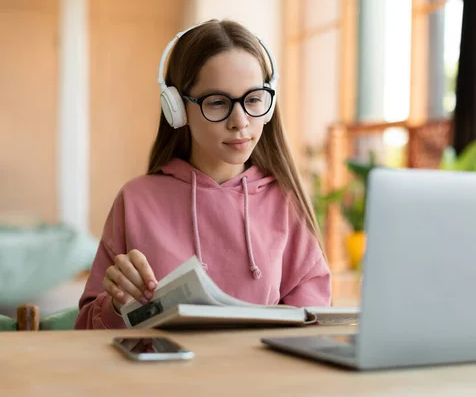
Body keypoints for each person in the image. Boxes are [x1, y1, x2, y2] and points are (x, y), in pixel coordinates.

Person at [74, 19, 332, 330]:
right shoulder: (136, 201)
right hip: (162, 377)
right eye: (218, 102)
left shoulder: (285, 202)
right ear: (177, 108)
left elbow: (314, 327)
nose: (240, 121)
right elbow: (86, 329)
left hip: (256, 376)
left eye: (253, 100)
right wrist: (116, 304)